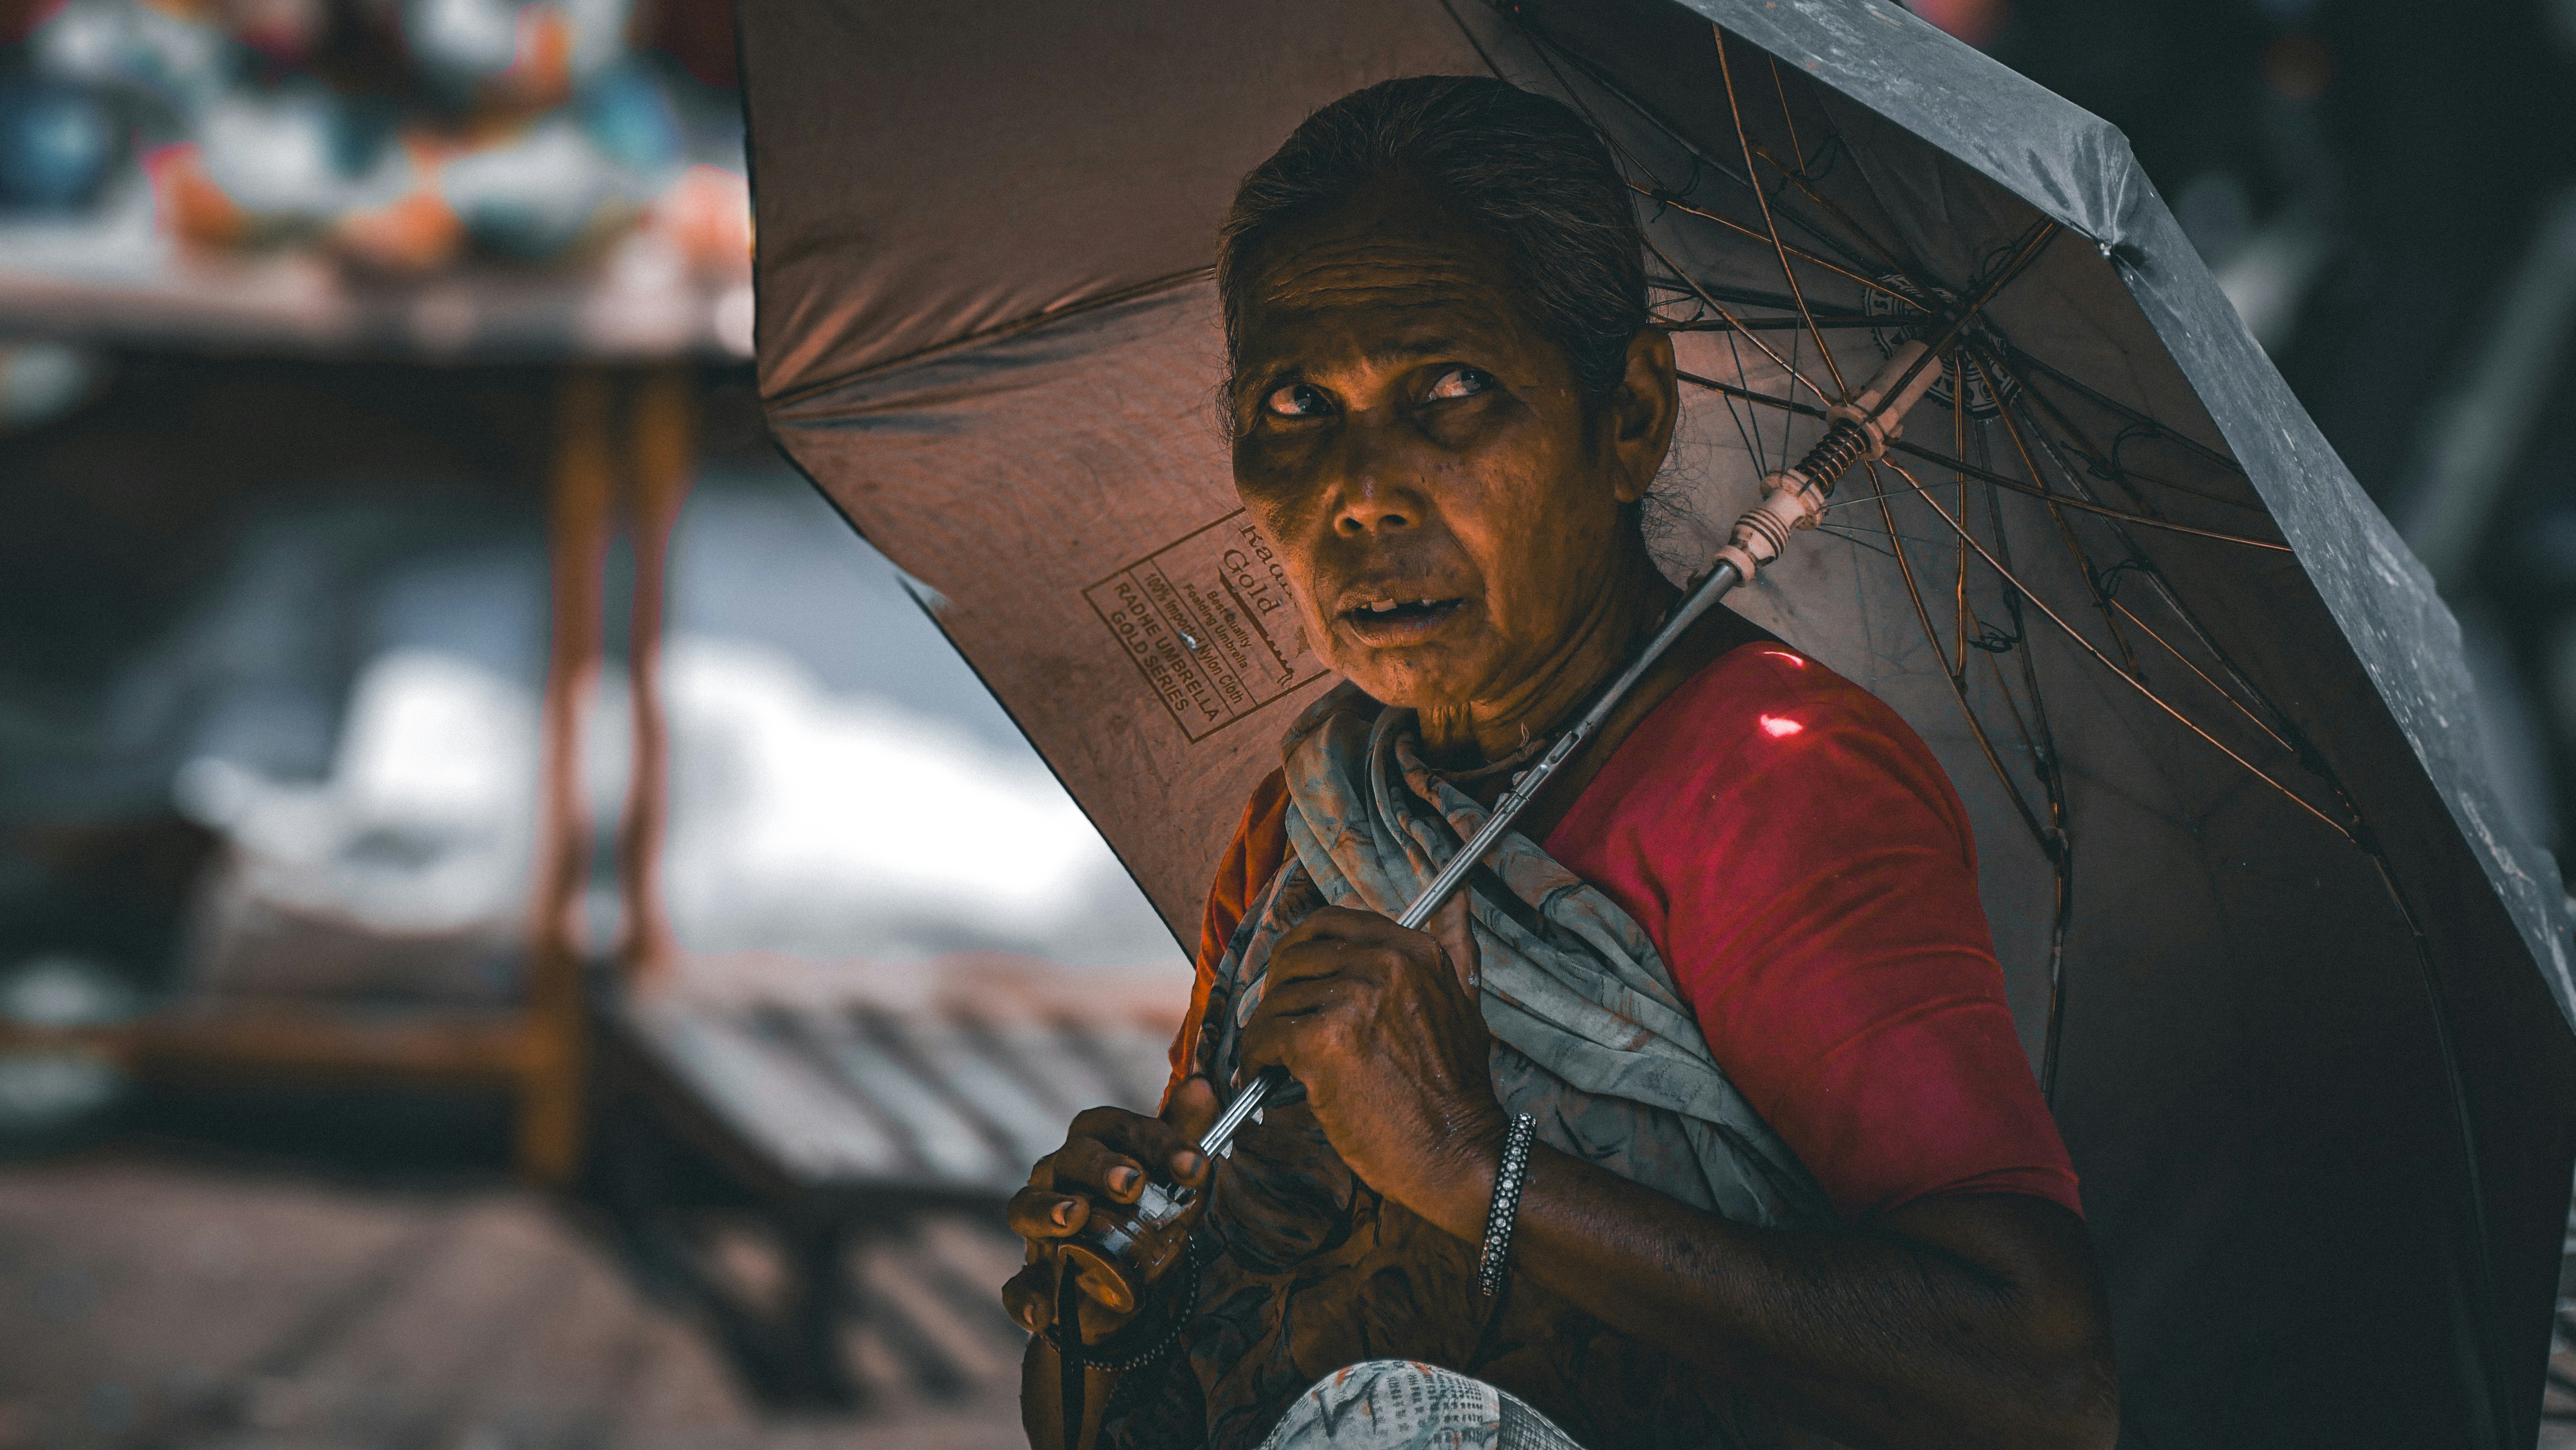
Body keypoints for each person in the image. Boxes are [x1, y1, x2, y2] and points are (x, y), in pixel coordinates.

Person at [1002, 75, 2118, 1450]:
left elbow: (2036, 1381)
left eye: (1453, 389)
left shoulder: (1772, 790)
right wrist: (1123, 1306)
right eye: (1297, 402)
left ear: (1632, 415)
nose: (1360, 488)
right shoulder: (1311, 827)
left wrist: (1472, 1165)